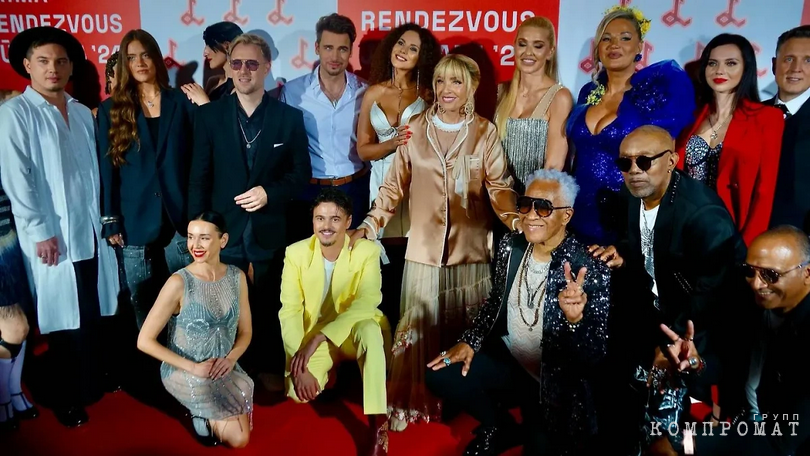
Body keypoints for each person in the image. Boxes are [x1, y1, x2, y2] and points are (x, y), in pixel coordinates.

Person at [354, 54, 519, 432]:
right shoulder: (414, 128)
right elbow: (393, 187)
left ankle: (464, 398)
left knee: (466, 326)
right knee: (421, 328)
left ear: (471, 89)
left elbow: (499, 185)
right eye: (441, 81)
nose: (447, 90)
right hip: (424, 250)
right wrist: (370, 224)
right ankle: (418, 397)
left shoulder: (484, 131)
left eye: (456, 82)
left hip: (471, 249)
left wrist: (515, 219)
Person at [426, 169, 610, 456]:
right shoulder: (511, 246)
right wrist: (470, 340)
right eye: (525, 204)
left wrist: (575, 320)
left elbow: (594, 355)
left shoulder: (588, 266)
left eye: (544, 207)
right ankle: (499, 426)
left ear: (566, 216)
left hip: (552, 383)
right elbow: (496, 301)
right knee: (440, 372)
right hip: (511, 362)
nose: (531, 215)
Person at [591, 125, 747, 455]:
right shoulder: (633, 195)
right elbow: (643, 247)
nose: (634, 171)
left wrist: (670, 343)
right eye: (626, 163)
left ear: (673, 161)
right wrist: (621, 254)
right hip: (657, 311)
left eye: (645, 161)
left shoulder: (703, 215)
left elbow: (713, 293)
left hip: (703, 324)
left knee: (671, 415)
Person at [0, 26, 120, 427]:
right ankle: (65, 396)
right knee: (62, 322)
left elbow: (93, 176)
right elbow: (18, 179)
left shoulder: (83, 112)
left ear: (71, 67)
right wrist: (39, 230)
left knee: (90, 312)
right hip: (51, 236)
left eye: (61, 61)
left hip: (87, 230)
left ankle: (91, 383)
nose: (53, 68)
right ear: (27, 65)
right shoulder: (16, 113)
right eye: (44, 61)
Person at [189, 33, 311, 388]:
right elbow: (199, 176)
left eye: (252, 63)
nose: (243, 71)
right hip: (223, 226)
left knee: (271, 300)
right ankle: (228, 371)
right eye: (237, 63)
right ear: (229, 66)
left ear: (267, 67)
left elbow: (301, 174)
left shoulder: (289, 118)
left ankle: (269, 364)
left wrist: (269, 193)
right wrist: (197, 229)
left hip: (270, 227)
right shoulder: (209, 116)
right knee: (223, 307)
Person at [673, 226, 810, 456]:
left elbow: (782, 442)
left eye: (771, 275)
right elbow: (729, 364)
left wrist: (691, 443)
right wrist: (696, 363)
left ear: (807, 273)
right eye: (749, 271)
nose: (756, 284)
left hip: (775, 441)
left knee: (673, 447)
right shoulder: (752, 303)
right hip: (740, 422)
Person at [566, 5, 695, 246]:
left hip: (628, 218)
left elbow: (663, 166)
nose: (615, 45)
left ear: (639, 47)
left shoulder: (654, 94)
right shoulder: (588, 92)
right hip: (578, 211)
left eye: (625, 38)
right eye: (607, 38)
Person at [279, 188, 391, 456]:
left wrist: (320, 337)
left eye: (334, 219)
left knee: (370, 331)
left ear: (348, 221)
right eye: (320, 219)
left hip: (354, 332)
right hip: (316, 335)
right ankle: (331, 374)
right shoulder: (295, 254)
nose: (326, 226)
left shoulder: (366, 252)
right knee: (298, 391)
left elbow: (368, 301)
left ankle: (378, 422)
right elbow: (290, 311)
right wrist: (298, 361)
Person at [97, 29, 194, 330]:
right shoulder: (111, 109)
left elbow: (198, 160)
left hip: (180, 219)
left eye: (145, 55)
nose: (139, 62)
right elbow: (107, 168)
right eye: (131, 58)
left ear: (156, 59)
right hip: (134, 220)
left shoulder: (181, 101)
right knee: (144, 307)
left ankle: (187, 371)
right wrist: (110, 218)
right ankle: (152, 371)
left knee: (188, 302)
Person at [137, 212, 253, 448]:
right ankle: (199, 415)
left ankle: (211, 411)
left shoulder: (237, 277)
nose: (195, 245)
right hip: (186, 369)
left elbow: (246, 332)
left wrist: (231, 359)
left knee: (244, 395)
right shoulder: (178, 283)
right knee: (240, 439)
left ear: (223, 240)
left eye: (204, 238)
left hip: (223, 364)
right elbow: (144, 341)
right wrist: (194, 368)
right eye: (191, 237)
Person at [355, 22, 441, 326]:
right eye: (401, 44)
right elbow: (364, 150)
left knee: (412, 266)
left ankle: (412, 343)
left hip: (416, 188)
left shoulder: (430, 95)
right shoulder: (373, 93)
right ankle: (386, 343)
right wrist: (392, 143)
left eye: (413, 49)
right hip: (380, 185)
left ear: (423, 58)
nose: (403, 51)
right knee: (384, 270)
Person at [676, 33, 784, 246]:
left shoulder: (767, 118)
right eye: (712, 63)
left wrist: (747, 246)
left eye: (731, 63)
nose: (719, 71)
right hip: (684, 228)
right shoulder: (690, 116)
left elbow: (765, 191)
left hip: (733, 231)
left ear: (746, 68)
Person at [281, 14, 370, 233]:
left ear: (351, 51)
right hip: (308, 190)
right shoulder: (293, 92)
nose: (335, 56)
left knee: (353, 260)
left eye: (342, 49)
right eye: (328, 47)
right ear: (317, 48)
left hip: (355, 188)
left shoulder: (365, 91)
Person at [494, 16, 573, 189]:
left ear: (550, 52)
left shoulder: (559, 97)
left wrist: (531, 207)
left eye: (537, 46)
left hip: (535, 204)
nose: (528, 52)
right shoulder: (501, 91)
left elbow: (554, 166)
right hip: (496, 199)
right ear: (514, 46)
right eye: (522, 44)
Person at [0, 123, 38, 430]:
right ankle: (3, 396)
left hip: (13, 240)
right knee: (15, 326)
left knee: (25, 321)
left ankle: (12, 390)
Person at [767, 25, 810, 234]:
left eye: (808, 60)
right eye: (789, 59)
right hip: (743, 243)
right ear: (775, 65)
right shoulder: (747, 115)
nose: (796, 69)